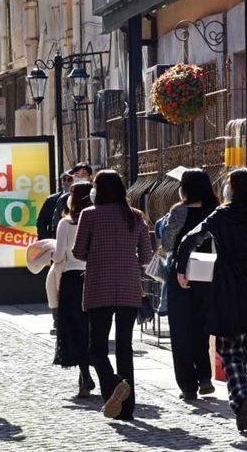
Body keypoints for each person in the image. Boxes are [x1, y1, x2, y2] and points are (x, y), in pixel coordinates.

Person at [175, 167, 247, 431]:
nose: (226, 188)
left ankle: (243, 397)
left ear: (234, 189)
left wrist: (181, 268)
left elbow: (189, 239)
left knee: (229, 352)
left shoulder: (222, 215)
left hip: (229, 289)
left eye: (229, 184)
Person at [72, 170, 152, 420]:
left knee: (97, 348)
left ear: (100, 190)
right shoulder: (136, 217)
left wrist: (98, 254)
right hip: (128, 287)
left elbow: (78, 252)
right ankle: (127, 408)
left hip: (99, 286)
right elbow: (147, 257)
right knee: (125, 348)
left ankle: (113, 382)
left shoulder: (89, 215)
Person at [160, 169, 219, 401]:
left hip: (182, 273)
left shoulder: (179, 210)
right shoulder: (215, 210)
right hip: (209, 272)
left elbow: (166, 244)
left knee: (181, 329)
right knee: (202, 326)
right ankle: (205, 376)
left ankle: (188, 385)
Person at [52, 182, 94, 398]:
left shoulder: (65, 224)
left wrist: (49, 253)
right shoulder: (96, 219)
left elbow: (59, 256)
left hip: (71, 279)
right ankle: (87, 374)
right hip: (94, 277)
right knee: (91, 327)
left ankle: (85, 373)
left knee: (75, 326)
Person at [39, 171, 73, 335]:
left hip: (71, 257)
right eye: (64, 179)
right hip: (58, 250)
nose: (66, 182)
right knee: (55, 286)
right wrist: (47, 244)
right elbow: (42, 222)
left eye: (69, 179)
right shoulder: (54, 200)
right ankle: (57, 321)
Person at [52, 162, 92, 236]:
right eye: (77, 175)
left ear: (90, 177)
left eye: (83, 175)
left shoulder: (95, 197)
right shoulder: (63, 199)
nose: (79, 178)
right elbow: (56, 224)